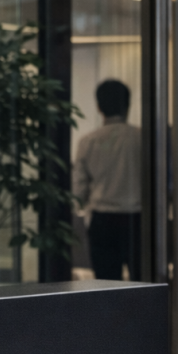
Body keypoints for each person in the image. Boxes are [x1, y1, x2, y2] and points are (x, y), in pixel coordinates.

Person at [73, 79, 142, 281]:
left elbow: (79, 189)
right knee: (143, 282)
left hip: (102, 221)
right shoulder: (143, 138)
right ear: (128, 105)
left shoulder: (88, 141)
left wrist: (82, 206)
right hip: (138, 220)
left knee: (107, 284)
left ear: (99, 107)